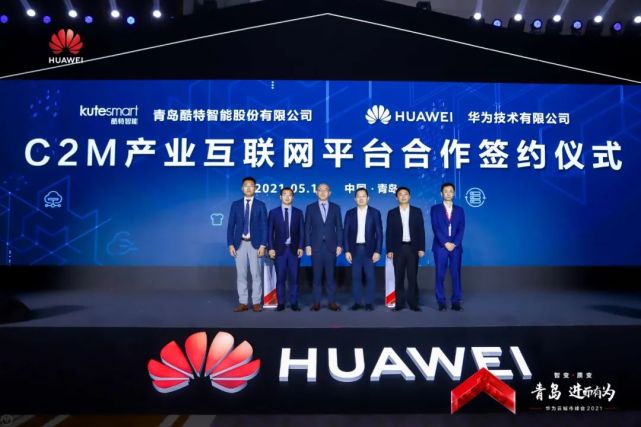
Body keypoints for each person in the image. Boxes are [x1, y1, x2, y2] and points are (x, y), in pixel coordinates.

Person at [226, 176, 268, 312]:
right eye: (246, 185)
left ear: (255, 188)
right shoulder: (236, 205)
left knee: (256, 274)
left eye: (251, 186)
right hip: (239, 244)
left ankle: (256, 302)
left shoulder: (261, 205)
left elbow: (264, 227)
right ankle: (243, 302)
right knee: (241, 274)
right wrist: (230, 244)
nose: (248, 188)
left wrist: (263, 245)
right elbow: (230, 226)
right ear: (242, 188)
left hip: (256, 244)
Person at [385, 186, 425, 311]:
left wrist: (421, 248)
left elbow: (421, 231)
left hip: (413, 248)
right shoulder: (392, 213)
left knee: (412, 277)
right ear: (396, 197)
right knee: (399, 277)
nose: (403, 196)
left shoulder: (417, 211)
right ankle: (400, 303)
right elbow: (389, 232)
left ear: (409, 196)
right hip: (398, 248)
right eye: (400, 194)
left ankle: (413, 303)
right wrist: (389, 250)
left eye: (405, 194)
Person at [305, 183, 343, 311]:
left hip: (331, 247)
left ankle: (332, 302)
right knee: (316, 277)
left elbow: (339, 227)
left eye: (325, 190)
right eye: (320, 190)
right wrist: (307, 244)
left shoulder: (336, 208)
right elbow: (307, 228)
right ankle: (316, 302)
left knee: (330, 277)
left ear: (329, 193)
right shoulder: (310, 208)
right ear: (316, 192)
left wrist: (339, 244)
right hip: (316, 247)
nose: (322, 192)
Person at [343, 188, 383, 311]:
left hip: (369, 250)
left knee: (370, 277)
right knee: (356, 278)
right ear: (355, 199)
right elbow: (345, 233)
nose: (361, 198)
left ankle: (369, 303)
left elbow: (379, 233)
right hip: (354, 250)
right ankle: (357, 302)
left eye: (363, 196)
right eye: (358, 196)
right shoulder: (350, 213)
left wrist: (378, 251)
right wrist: (347, 250)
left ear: (368, 198)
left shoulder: (375, 213)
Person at [267, 187, 304, 311]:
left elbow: (302, 232)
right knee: (280, 278)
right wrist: (270, 248)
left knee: (294, 278)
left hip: (294, 250)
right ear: (280, 197)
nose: (287, 197)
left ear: (293, 197)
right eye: (284, 194)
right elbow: (269, 232)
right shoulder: (273, 212)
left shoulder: (298, 213)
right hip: (279, 251)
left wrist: (301, 247)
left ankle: (294, 303)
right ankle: (281, 303)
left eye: (290, 195)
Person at [431, 182, 465, 311]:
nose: (448, 193)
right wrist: (445, 243)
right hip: (440, 246)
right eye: (446, 191)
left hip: (456, 247)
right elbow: (436, 227)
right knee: (440, 275)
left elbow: (461, 228)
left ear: (454, 193)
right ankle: (441, 301)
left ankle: (456, 301)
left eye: (451, 191)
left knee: (456, 274)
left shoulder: (460, 210)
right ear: (441, 193)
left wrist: (454, 243)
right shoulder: (435, 209)